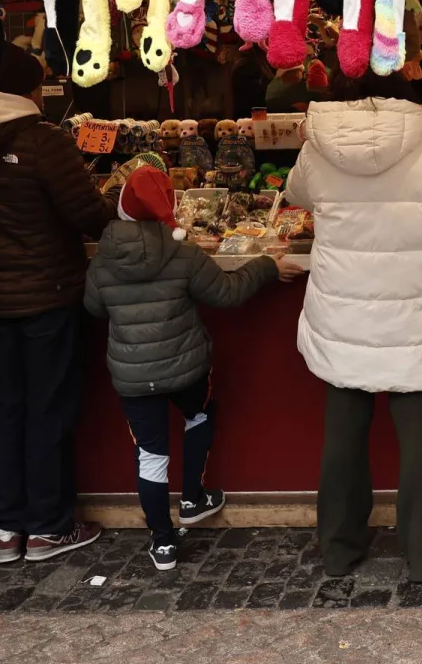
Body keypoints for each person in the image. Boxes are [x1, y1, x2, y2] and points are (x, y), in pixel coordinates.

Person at [286, 70, 422, 581]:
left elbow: (299, 197)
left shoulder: (318, 149)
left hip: (341, 314)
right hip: (413, 316)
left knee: (343, 435)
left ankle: (338, 548)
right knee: (418, 439)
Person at [83, 166, 304, 570]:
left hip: (133, 375)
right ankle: (192, 498)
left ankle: (162, 544)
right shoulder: (182, 252)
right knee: (199, 412)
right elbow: (227, 292)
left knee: (150, 456)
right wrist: (267, 266)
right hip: (187, 367)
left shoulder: (102, 258)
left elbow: (95, 307)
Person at [0, 44, 113, 563]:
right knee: (48, 409)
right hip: (48, 296)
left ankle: (7, 529)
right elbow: (88, 214)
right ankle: (47, 528)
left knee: (6, 410)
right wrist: (120, 203)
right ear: (28, 89)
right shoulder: (43, 142)